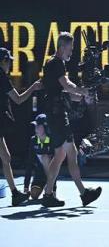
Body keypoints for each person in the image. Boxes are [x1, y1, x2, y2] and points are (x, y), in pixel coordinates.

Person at [41, 32, 101, 207]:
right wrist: (83, 91)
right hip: (57, 115)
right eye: (70, 48)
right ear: (62, 47)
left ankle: (48, 194)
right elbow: (67, 85)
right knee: (71, 153)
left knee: (60, 155)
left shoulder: (54, 63)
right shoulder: (56, 63)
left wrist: (82, 93)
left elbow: (64, 89)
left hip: (56, 113)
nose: (72, 52)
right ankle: (84, 193)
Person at [0, 47, 42, 206]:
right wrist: (33, 87)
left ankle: (15, 194)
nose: (10, 64)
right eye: (9, 61)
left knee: (6, 157)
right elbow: (18, 99)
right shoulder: (1, 77)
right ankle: (14, 193)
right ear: (3, 61)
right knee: (6, 157)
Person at [24, 114, 57, 200]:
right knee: (34, 194)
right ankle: (45, 187)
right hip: (39, 174)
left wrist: (54, 190)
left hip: (51, 174)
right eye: (35, 126)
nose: (36, 128)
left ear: (46, 127)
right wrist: (26, 187)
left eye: (38, 126)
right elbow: (29, 163)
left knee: (45, 157)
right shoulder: (33, 140)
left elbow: (56, 165)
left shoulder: (53, 140)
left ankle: (50, 188)